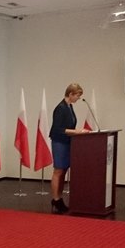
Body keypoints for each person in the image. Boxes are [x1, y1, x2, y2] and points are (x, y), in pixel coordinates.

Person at [49, 83, 89, 213]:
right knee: (58, 171)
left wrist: (77, 132)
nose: (78, 98)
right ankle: (55, 199)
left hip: (67, 142)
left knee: (64, 171)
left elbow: (69, 126)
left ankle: (59, 198)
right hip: (59, 142)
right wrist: (77, 131)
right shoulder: (60, 108)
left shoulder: (69, 107)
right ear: (70, 94)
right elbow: (58, 129)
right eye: (77, 95)